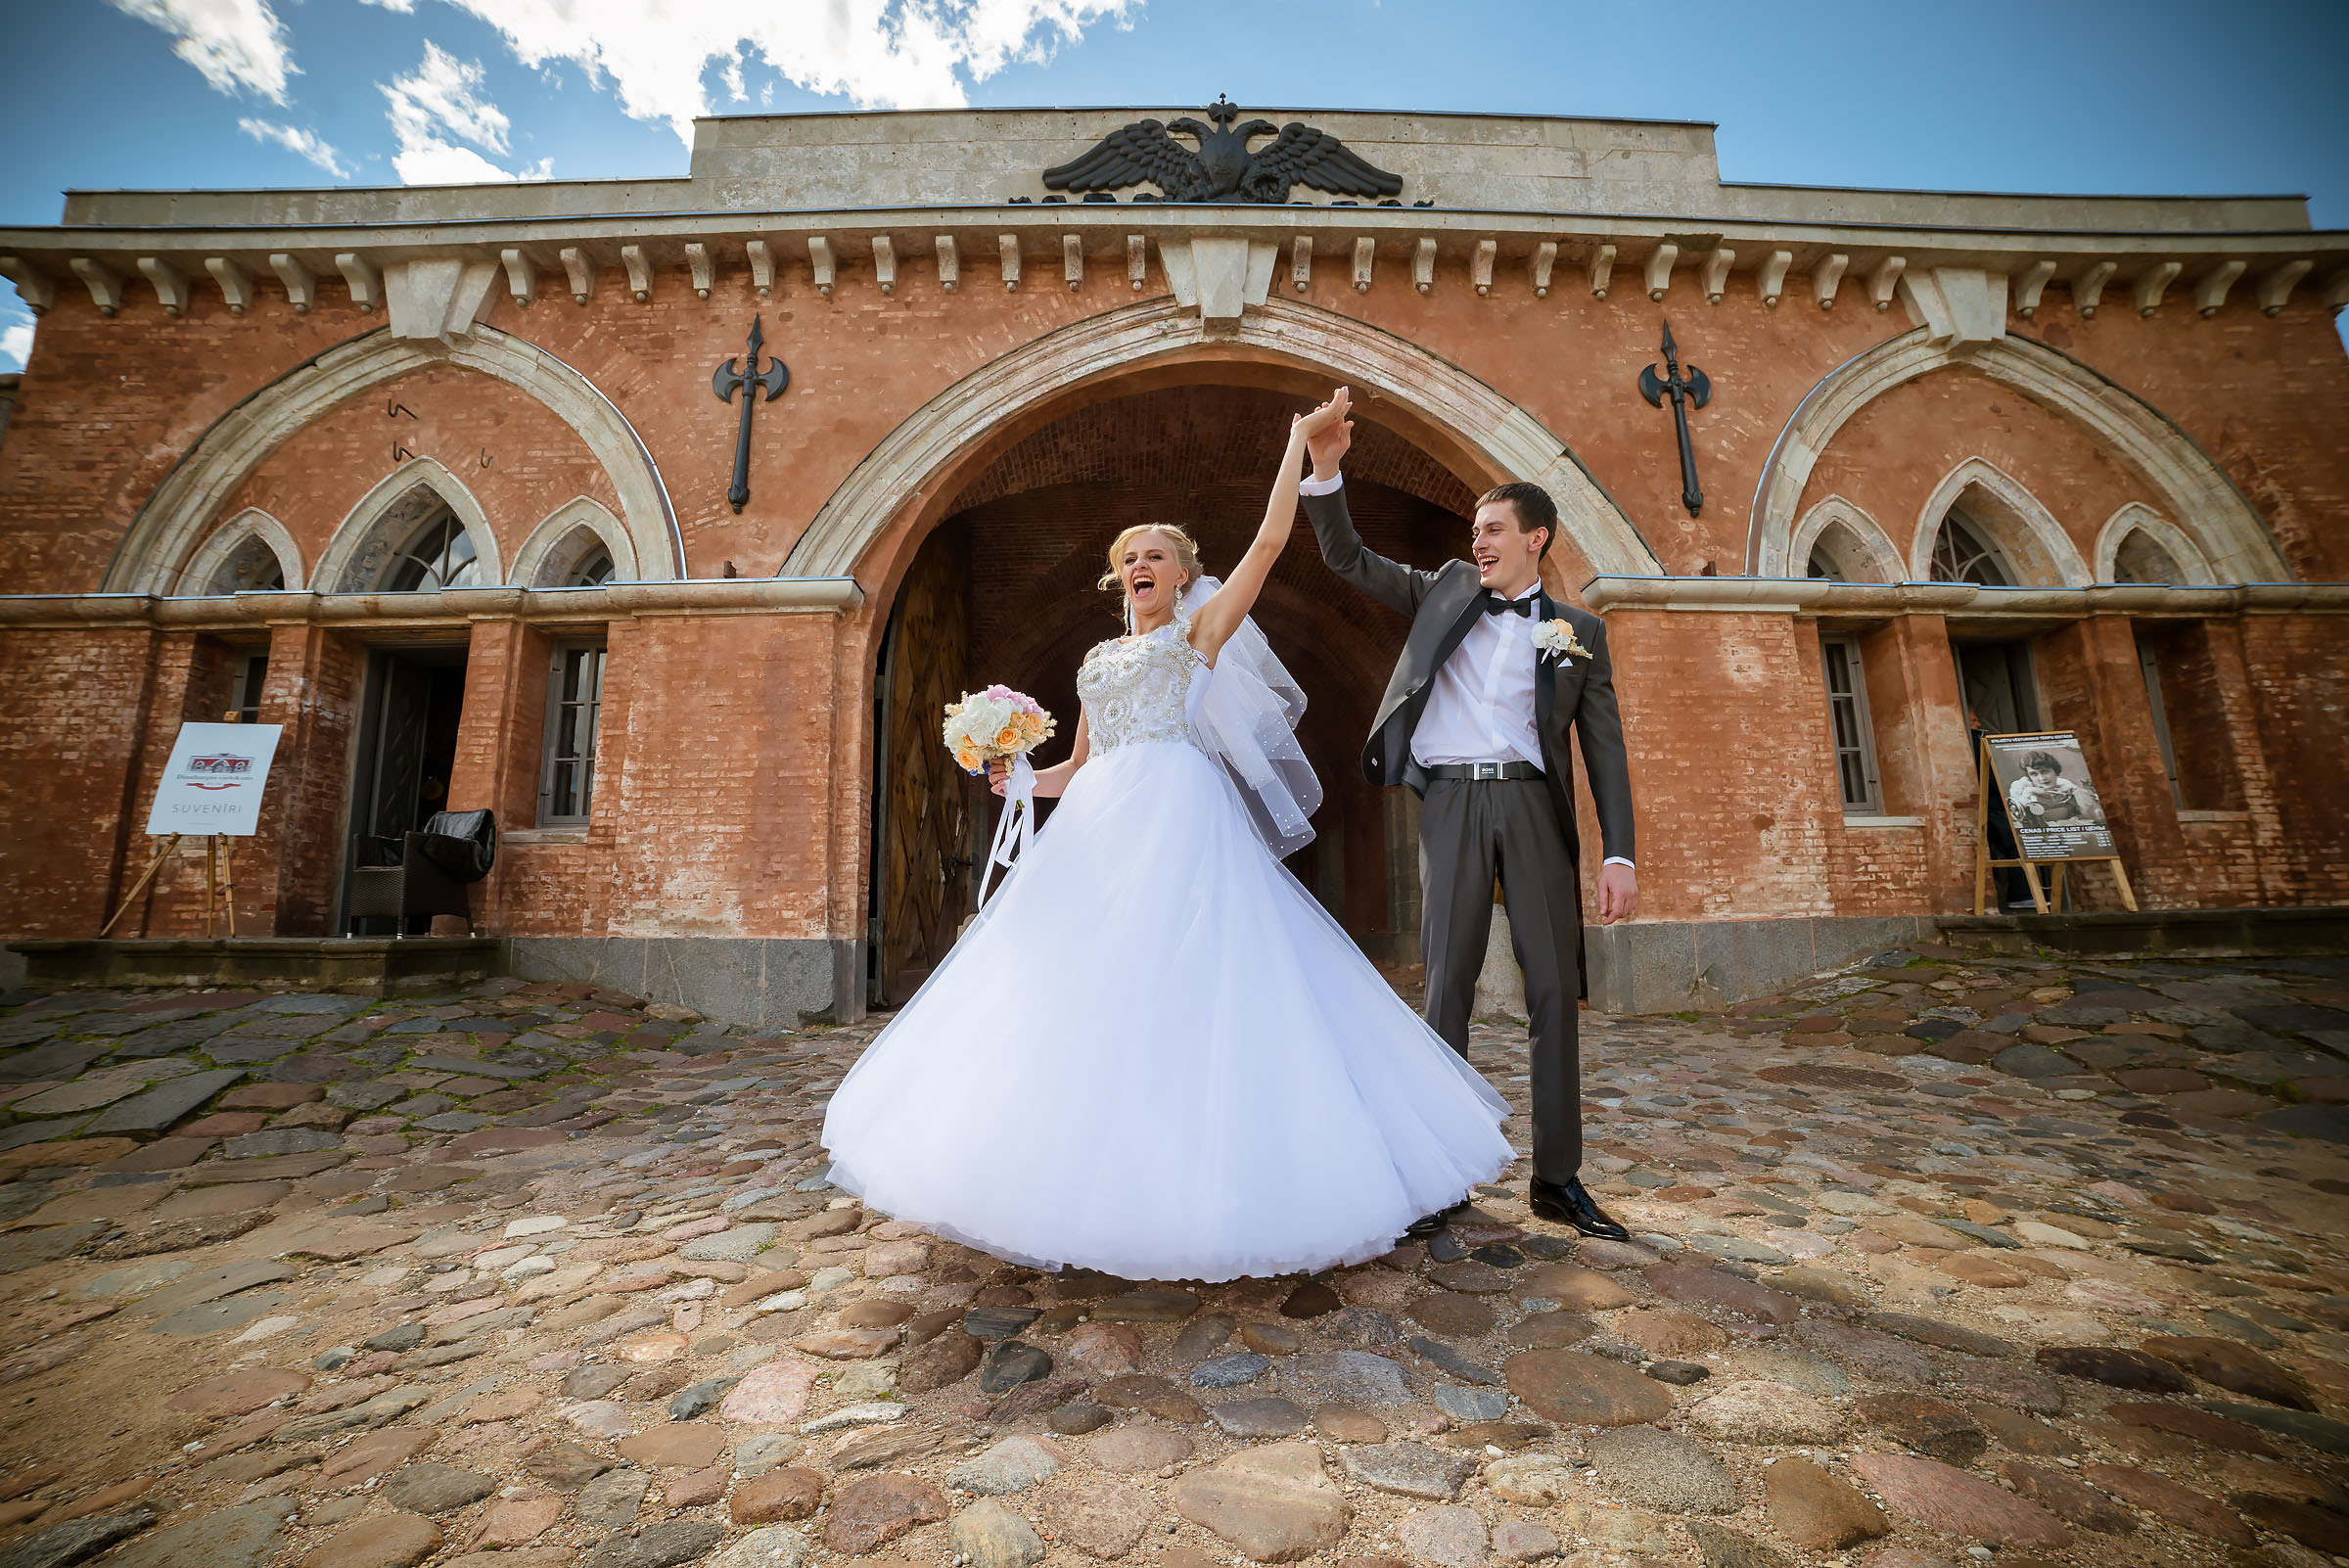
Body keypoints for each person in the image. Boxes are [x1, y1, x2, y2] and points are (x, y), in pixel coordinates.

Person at [820, 392, 1511, 1283]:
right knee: (1075, 983)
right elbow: (1080, 764)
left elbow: (1270, 544)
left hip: (1179, 815)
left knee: (1193, 978)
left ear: (1184, 576)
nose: (1139, 565)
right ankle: (1067, 1171)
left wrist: (1297, 446)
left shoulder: (1200, 633)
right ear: (1120, 580)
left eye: (1155, 555)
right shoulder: (1097, 659)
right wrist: (1022, 778)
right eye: (1129, 558)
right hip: (1100, 824)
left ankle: (1209, 1174)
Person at [1298, 392, 1637, 1240]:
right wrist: (1327, 471)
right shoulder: (1443, 591)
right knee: (1446, 984)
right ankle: (1439, 1174)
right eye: (1475, 530)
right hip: (1449, 800)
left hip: (1532, 805)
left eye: (1493, 530)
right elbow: (1346, 558)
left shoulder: (1579, 633)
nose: (1478, 542)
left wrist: (1619, 855)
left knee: (1553, 989)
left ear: (1536, 539)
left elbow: (1605, 753)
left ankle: (1557, 1179)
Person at [2006, 751, 2103, 828]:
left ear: (2055, 771)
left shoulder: (2065, 784)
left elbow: (2093, 817)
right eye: (2034, 774)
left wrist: (2076, 791)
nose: (2042, 778)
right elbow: (2023, 817)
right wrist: (2029, 792)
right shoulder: (2021, 787)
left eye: (2045, 772)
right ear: (2029, 776)